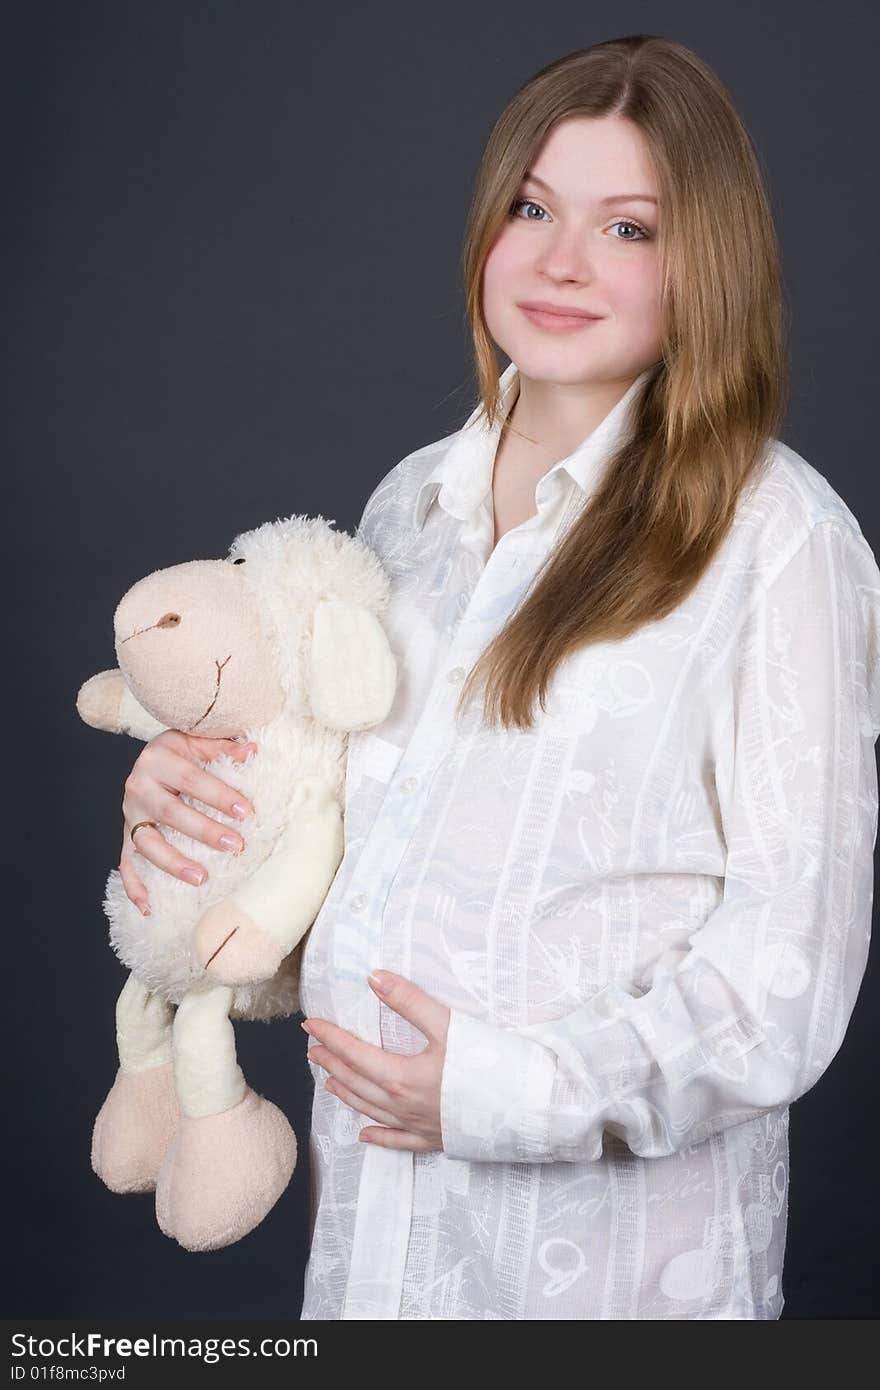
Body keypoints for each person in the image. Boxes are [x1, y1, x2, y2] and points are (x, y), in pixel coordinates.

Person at [117, 35, 880, 1319]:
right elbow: (357, 872)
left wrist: (498, 1094)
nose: (561, 259)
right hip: (372, 1262)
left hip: (601, 1273)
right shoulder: (408, 510)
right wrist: (199, 826)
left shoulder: (775, 541)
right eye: (531, 208)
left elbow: (779, 980)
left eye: (627, 227)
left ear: (709, 263)